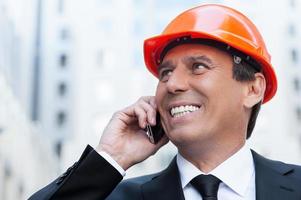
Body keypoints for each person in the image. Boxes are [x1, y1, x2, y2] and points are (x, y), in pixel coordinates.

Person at [29, 4, 301, 200]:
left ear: (253, 88)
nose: (172, 84)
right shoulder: (115, 195)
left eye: (197, 67)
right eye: (165, 73)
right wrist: (112, 157)